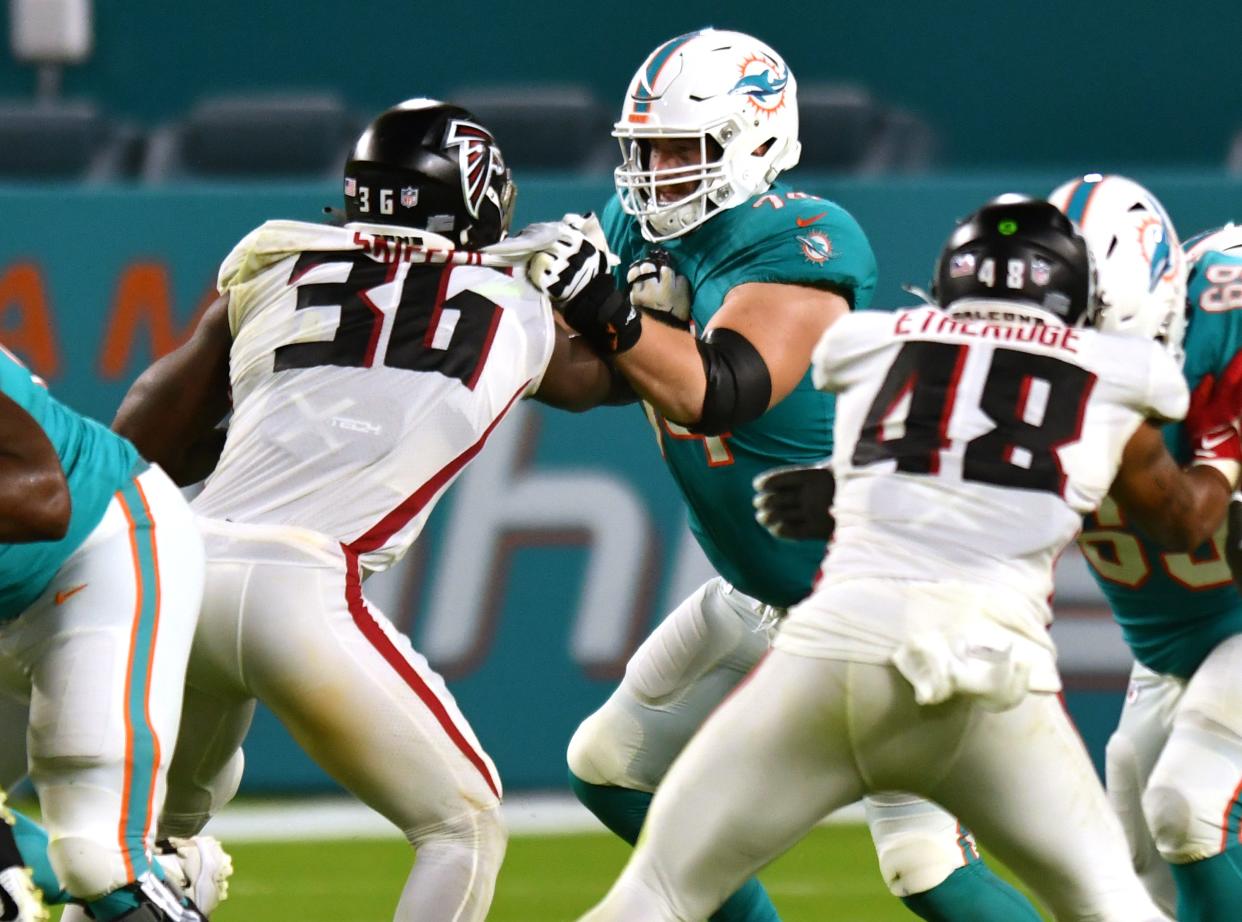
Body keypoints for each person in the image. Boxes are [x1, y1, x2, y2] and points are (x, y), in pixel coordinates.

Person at [575, 194, 1242, 921]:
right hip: (981, 670)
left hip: (825, 652)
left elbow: (934, 449)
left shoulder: (874, 345)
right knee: (1111, 899)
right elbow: (1182, 518)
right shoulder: (1116, 376)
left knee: (659, 891)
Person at [551, 27, 1042, 922]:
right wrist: (502, 325)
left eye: (681, 148)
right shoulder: (637, 226)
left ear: (756, 142)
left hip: (883, 597)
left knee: (924, 862)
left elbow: (722, 389)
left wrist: (609, 311)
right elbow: (591, 380)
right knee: (612, 768)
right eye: (646, 147)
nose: (655, 170)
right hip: (762, 595)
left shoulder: (805, 235)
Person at [105, 98, 627, 922]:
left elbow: (140, 442)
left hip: (185, 566)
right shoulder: (520, 306)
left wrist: (262, 401)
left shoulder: (280, 267)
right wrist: (621, 306)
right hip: (303, 588)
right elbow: (608, 381)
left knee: (139, 844)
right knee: (464, 825)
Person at [1056, 182, 1242, 921]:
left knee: (1189, 804)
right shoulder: (1009, 357)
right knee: (1135, 841)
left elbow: (1189, 519)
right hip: (1178, 640)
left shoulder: (1225, 319)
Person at [0, 339, 208, 921]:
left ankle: (147, 876)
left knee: (98, 857)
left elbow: (43, 500)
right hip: (9, 593)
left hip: (98, 550)